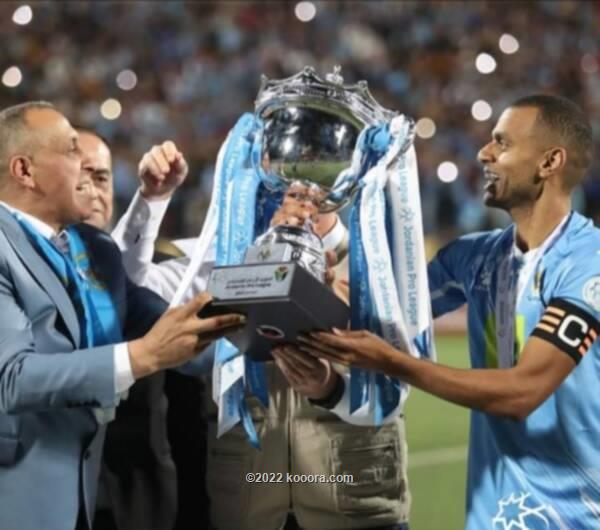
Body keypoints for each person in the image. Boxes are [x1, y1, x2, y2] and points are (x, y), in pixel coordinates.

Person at [282, 94, 600, 529]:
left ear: (550, 162)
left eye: (502, 143)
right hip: (492, 518)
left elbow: (523, 393)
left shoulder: (588, 264)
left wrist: (393, 362)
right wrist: (313, 252)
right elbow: (369, 307)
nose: (483, 153)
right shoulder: (476, 257)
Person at [112, 145, 411, 530]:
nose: (293, 188)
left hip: (355, 495)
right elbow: (120, 290)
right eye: (275, 174)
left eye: (307, 170)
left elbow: (401, 379)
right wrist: (152, 200)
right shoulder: (218, 260)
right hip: (249, 497)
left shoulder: (375, 260)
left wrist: (331, 388)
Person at [0, 101, 244, 530]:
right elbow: (12, 379)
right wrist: (142, 355)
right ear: (25, 171)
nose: (86, 169)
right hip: (18, 494)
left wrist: (263, 319)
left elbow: (172, 330)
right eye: (72, 151)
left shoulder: (93, 249)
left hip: (88, 490)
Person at [76, 128, 180, 530]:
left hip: (138, 505)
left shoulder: (140, 279)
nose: (91, 190)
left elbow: (124, 272)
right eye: (78, 176)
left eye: (101, 177)